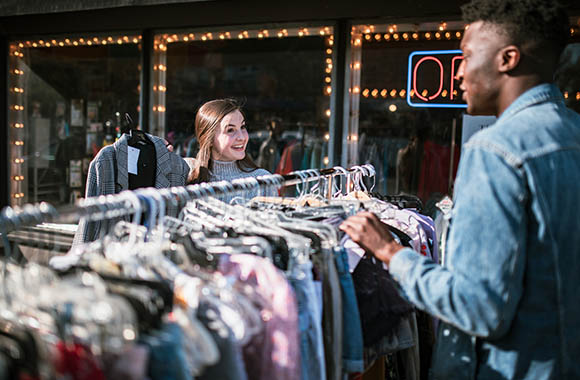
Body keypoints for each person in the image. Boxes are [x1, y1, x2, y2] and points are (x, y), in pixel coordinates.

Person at [340, 0, 580, 378]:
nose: (457, 74)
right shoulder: (573, 132)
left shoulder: (496, 151)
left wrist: (389, 252)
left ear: (508, 59)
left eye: (466, 56)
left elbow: (477, 307)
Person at [185, 99, 275, 202]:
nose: (241, 137)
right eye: (230, 130)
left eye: (242, 127)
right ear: (209, 139)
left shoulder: (263, 181)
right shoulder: (186, 175)